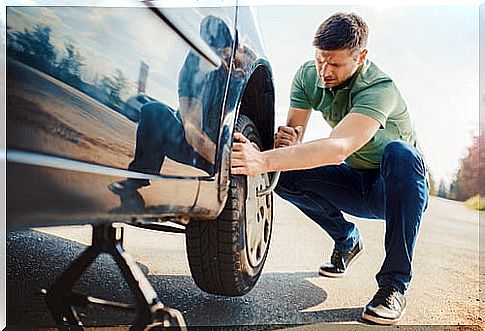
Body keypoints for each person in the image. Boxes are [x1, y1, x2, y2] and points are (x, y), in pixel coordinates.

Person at [231, 12, 429, 325]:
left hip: (393, 189)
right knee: (283, 174)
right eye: (321, 59)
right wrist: (285, 142)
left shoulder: (380, 88)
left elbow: (338, 148)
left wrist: (261, 159)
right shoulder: (309, 75)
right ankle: (347, 238)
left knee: (400, 153)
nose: (325, 70)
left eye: (335, 64)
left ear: (360, 56)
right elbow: (293, 139)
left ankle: (393, 286)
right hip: (354, 183)